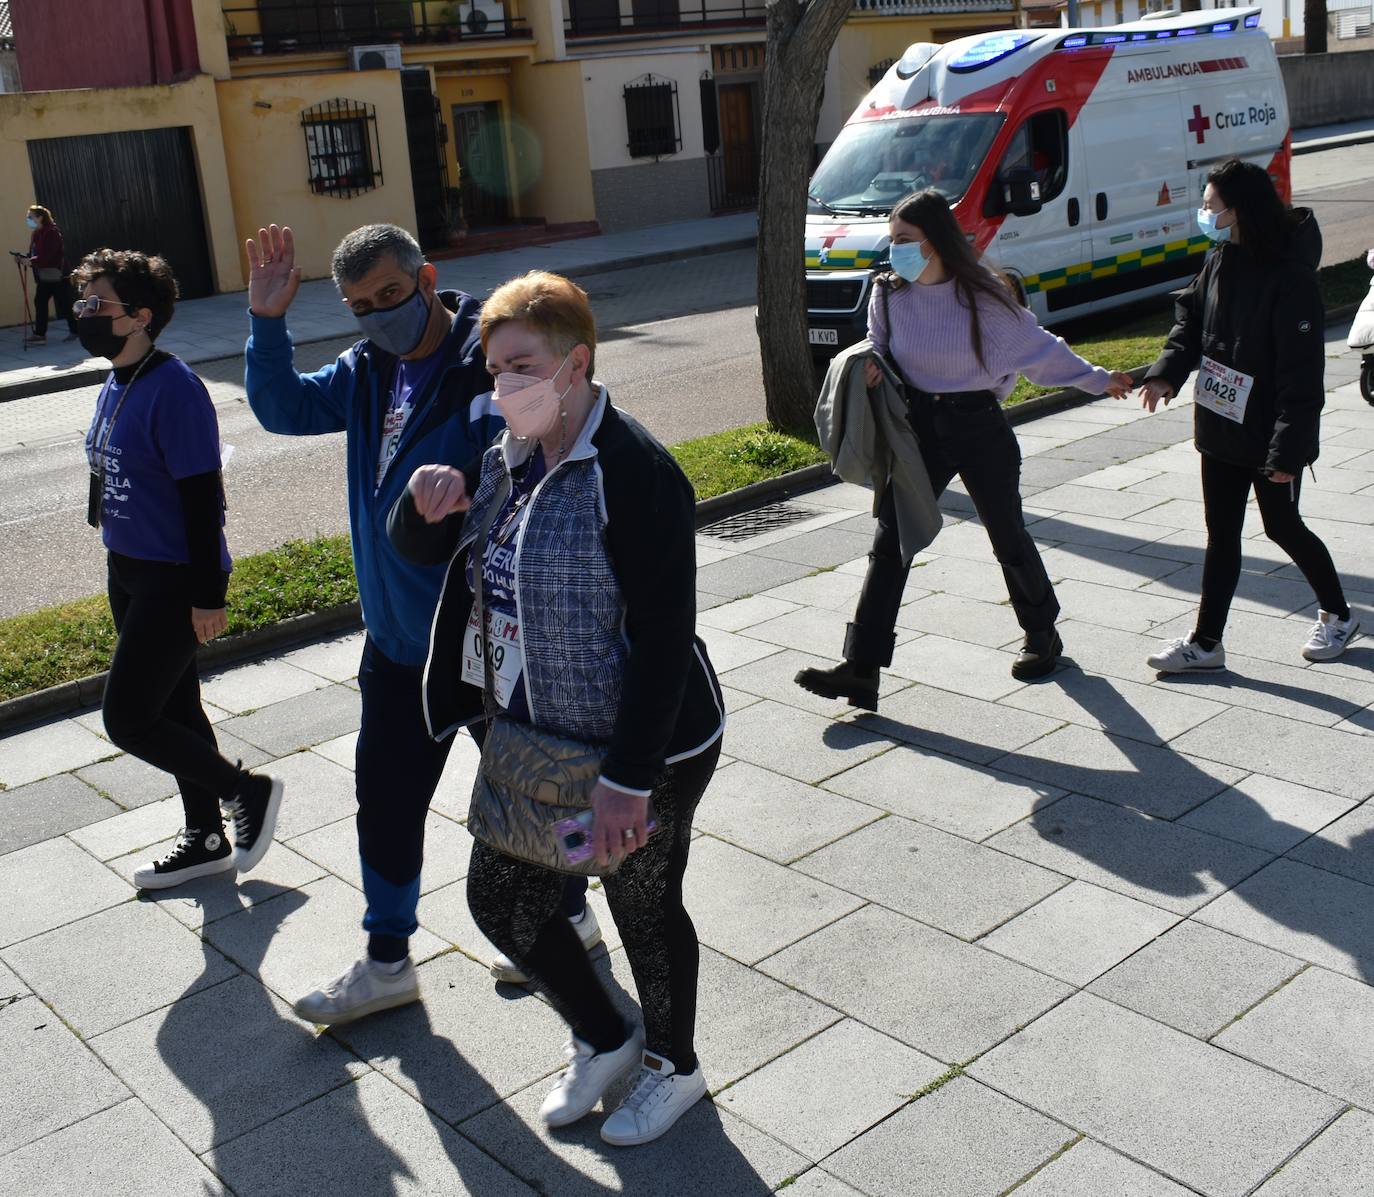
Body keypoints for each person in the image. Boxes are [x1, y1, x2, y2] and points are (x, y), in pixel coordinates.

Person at [388, 270, 725, 1147]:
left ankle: (674, 1063)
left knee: (640, 904)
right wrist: (419, 513)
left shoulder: (636, 473)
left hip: (639, 750)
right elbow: (440, 546)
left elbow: (662, 637)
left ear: (575, 364)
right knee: (500, 901)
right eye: (494, 371)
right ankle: (608, 1034)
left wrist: (628, 779)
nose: (502, 388)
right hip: (538, 744)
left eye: (520, 368)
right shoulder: (509, 453)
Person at [242, 224, 598, 1025]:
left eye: (392, 297)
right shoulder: (368, 369)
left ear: (426, 277)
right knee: (387, 798)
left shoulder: (488, 359)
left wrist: (472, 476)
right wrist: (267, 323)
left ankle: (571, 907)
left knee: (531, 782)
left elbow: (547, 444)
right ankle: (387, 958)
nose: (378, 317)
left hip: (484, 634)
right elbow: (283, 406)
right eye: (361, 307)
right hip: (399, 641)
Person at [796, 188, 1133, 709]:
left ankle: (1042, 634)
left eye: (904, 240)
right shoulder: (888, 293)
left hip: (979, 428)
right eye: (893, 241)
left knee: (1007, 535)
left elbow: (1041, 352)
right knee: (891, 540)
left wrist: (1099, 379)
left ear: (935, 243)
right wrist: (871, 365)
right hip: (918, 429)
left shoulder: (984, 299)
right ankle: (861, 668)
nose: (895, 252)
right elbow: (879, 344)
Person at [76, 248, 283, 889]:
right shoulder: (119, 379)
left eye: (96, 304)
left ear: (139, 316)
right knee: (176, 707)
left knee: (130, 719)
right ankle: (206, 837)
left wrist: (207, 594)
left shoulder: (176, 388)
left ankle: (245, 791)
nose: (82, 313)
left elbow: (201, 499)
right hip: (129, 568)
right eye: (83, 301)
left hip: (172, 577)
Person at [1139, 159, 1358, 670]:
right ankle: (1207, 644)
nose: (1203, 212)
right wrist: (1166, 372)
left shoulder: (1291, 277)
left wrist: (1288, 448)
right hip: (1220, 424)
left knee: (1282, 525)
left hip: (1267, 431)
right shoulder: (1220, 258)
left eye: (1210, 205)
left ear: (1237, 211)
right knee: (1222, 532)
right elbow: (1189, 319)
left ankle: (1339, 615)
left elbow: (1301, 376)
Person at [25, 204, 78, 343]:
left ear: (40, 217)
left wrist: (31, 261)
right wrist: (24, 258)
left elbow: (49, 254)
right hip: (44, 275)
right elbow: (35, 253)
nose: (28, 219)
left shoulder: (52, 232)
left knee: (64, 304)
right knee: (40, 301)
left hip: (57, 274)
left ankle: (76, 330)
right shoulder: (36, 233)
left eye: (30, 217)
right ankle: (40, 334)